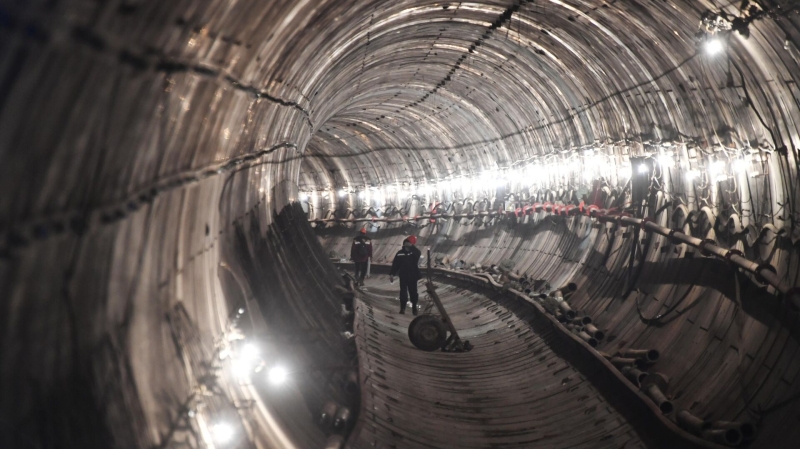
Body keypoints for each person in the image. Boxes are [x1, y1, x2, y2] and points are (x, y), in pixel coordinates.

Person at [389, 235, 422, 315]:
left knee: (413, 292)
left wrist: (412, 247)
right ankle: (402, 308)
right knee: (403, 292)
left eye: (408, 242)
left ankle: (414, 307)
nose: (406, 244)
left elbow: (418, 254)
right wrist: (392, 274)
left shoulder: (414, 252)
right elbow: (395, 264)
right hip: (403, 275)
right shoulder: (400, 253)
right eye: (406, 242)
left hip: (413, 276)